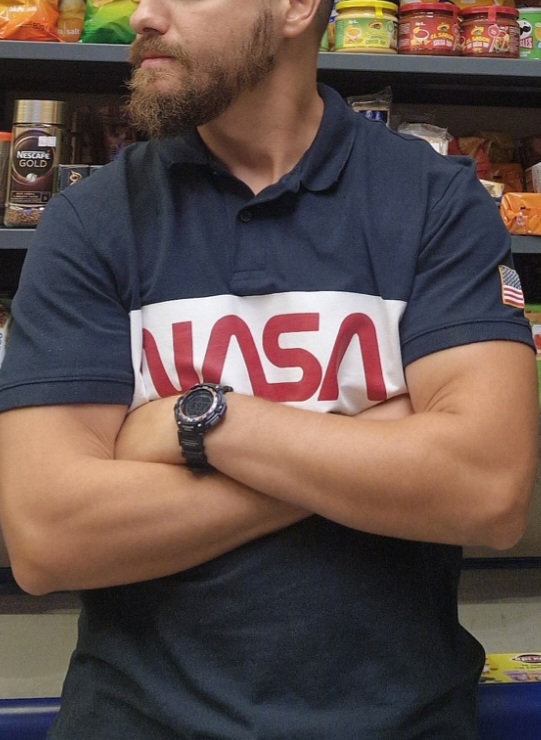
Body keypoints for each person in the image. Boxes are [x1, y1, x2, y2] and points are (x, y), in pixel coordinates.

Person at [0, 0, 538, 737]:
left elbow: (487, 491)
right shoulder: (92, 221)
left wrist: (204, 422)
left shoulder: (434, 200)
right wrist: (371, 442)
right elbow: (47, 537)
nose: (143, 16)